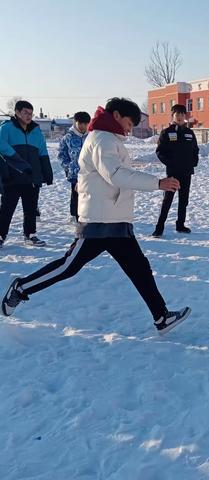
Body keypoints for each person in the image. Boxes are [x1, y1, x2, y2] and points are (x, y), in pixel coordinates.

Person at [1, 98, 191, 335]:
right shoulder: (102, 139)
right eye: (131, 123)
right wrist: (157, 183)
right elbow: (116, 175)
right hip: (99, 220)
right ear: (118, 115)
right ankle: (21, 287)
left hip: (115, 219)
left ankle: (161, 317)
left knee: (140, 268)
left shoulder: (109, 138)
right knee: (68, 267)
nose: (131, 129)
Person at [0, 100, 53, 247]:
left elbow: (43, 152)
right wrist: (19, 162)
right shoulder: (6, 128)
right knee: (6, 209)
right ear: (17, 112)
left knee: (30, 209)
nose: (29, 116)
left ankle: (30, 235)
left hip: (31, 177)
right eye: (25, 113)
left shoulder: (36, 131)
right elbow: (1, 146)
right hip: (12, 177)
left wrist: (47, 172)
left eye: (31, 113)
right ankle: (0, 235)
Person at [152, 104, 199, 237]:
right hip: (173, 173)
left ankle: (180, 224)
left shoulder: (189, 133)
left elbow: (195, 150)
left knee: (184, 200)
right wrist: (170, 163)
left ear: (185, 116)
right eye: (177, 115)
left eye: (182, 115)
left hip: (187, 172)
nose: (179, 117)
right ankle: (159, 227)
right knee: (167, 201)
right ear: (173, 116)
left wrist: (194, 162)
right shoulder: (167, 132)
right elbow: (160, 152)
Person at [58, 111, 91, 223]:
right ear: (75, 122)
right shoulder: (68, 137)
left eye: (86, 124)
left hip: (89, 172)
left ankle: (87, 214)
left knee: (89, 194)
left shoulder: (90, 137)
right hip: (75, 173)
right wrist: (68, 167)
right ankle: (76, 215)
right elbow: (62, 154)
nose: (83, 126)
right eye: (80, 123)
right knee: (76, 195)